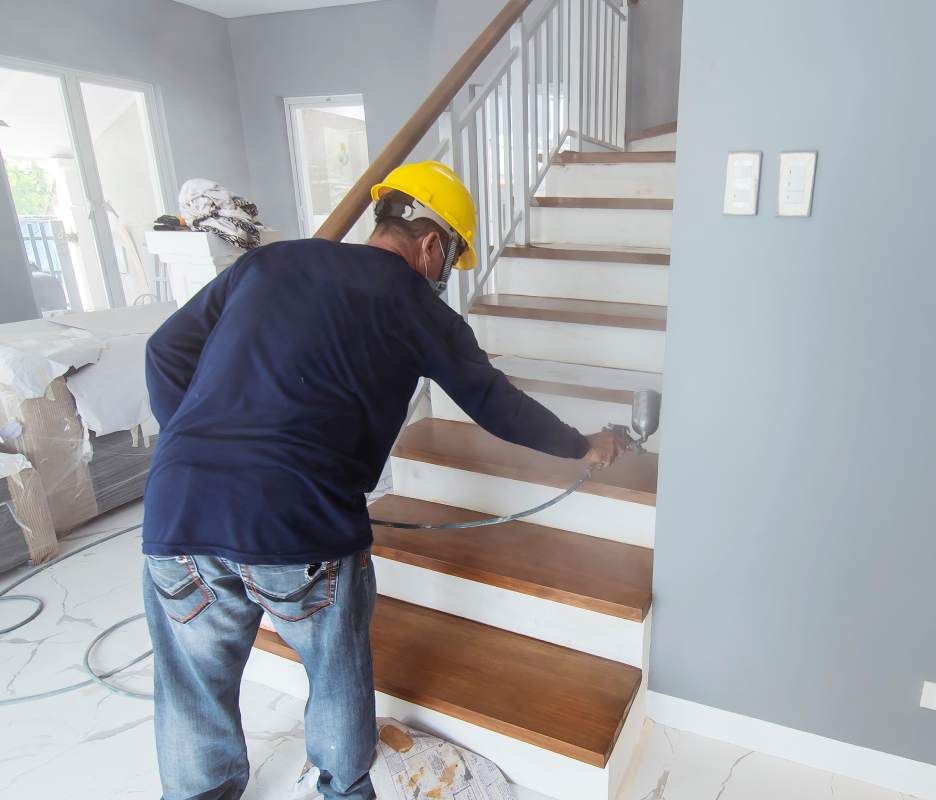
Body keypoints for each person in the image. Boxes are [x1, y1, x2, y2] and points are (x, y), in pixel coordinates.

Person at [140, 161, 626, 800]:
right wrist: (581, 445)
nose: (443, 281)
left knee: (191, 682)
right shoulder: (418, 309)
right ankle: (343, 789)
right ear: (430, 245)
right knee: (335, 669)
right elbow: (496, 403)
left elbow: (164, 352)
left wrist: (199, 447)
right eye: (449, 263)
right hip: (299, 522)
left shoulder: (270, 264)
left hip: (178, 507)